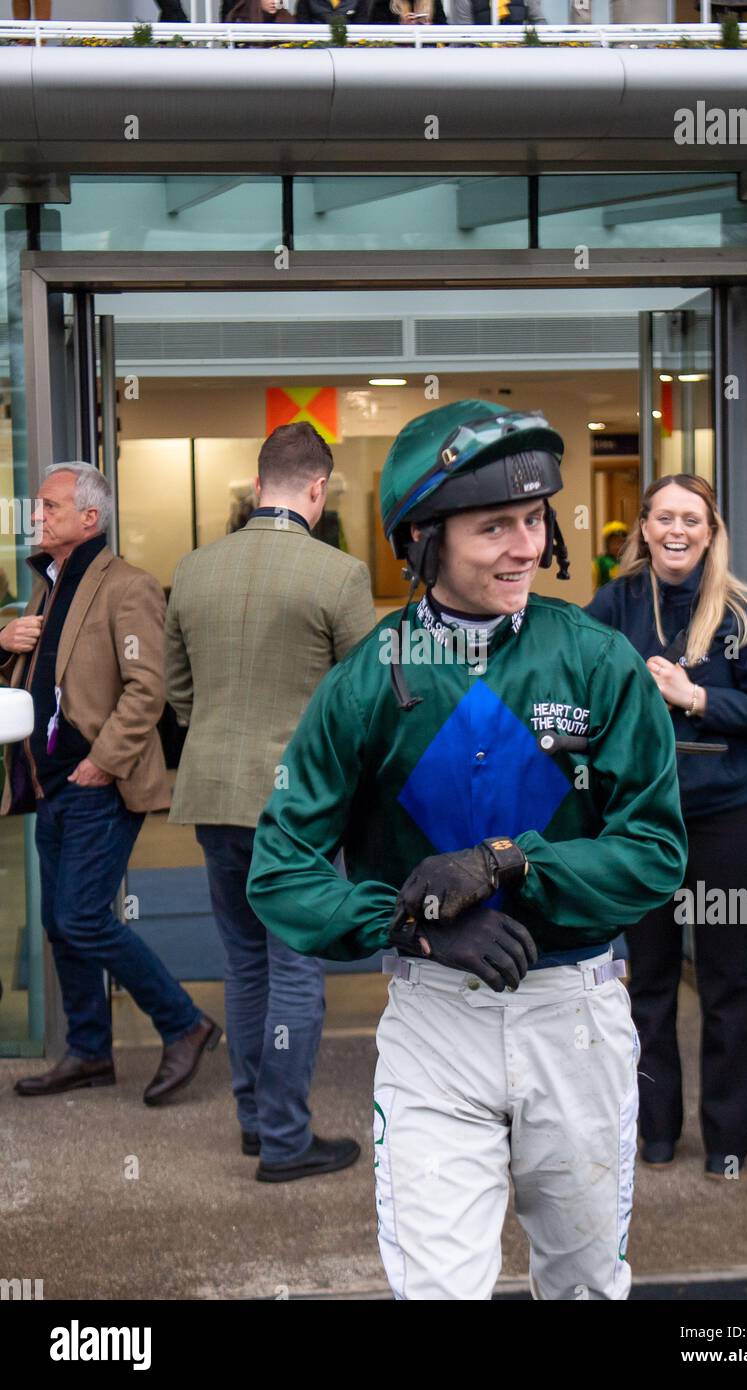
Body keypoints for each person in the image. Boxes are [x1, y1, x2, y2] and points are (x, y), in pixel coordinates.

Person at [248, 400, 687, 1299]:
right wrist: (407, 928)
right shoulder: (367, 679)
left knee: (585, 1288)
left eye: (534, 520)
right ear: (423, 537)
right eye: (494, 527)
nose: (525, 546)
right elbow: (280, 867)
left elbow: (653, 851)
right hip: (433, 1024)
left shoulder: (599, 662)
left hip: (577, 1013)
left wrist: (509, 862)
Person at [165, 422, 376, 1182]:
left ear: (260, 486)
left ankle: (256, 1122)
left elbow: (177, 693)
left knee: (243, 965)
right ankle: (286, 1141)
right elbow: (369, 699)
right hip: (299, 806)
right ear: (317, 490)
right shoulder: (339, 576)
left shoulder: (192, 570)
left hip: (215, 794)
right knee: (295, 971)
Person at [586, 473, 747, 1180]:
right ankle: (658, 1132)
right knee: (647, 979)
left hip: (729, 817)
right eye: (664, 517)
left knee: (727, 981)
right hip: (642, 821)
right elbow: (579, 699)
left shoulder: (745, 612)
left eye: (691, 520)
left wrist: (696, 696)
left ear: (711, 532)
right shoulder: (612, 606)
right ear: (642, 527)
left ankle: (728, 1139)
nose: (677, 531)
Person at [0, 463, 220, 1104]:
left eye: (49, 507)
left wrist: (102, 760)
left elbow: (148, 690)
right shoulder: (48, 586)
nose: (37, 516)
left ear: (89, 519)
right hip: (50, 781)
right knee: (59, 922)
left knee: (84, 917)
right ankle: (91, 1051)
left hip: (99, 782)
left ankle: (184, 1024)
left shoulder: (129, 587)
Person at [592, 519, 628, 592]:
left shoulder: (628, 561)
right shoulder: (600, 562)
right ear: (607, 544)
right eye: (614, 543)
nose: (618, 546)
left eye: (621, 542)